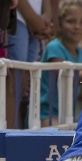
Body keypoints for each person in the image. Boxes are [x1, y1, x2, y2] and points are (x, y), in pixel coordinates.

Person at [40, 0, 82, 127]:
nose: (77, 27)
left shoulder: (80, 52)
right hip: (46, 114)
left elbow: (79, 88)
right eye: (71, 21)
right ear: (60, 23)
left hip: (68, 115)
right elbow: (64, 77)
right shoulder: (54, 47)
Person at [6, 0, 54, 129]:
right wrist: (32, 18)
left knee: (24, 83)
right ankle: (8, 137)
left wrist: (45, 17)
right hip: (16, 17)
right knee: (13, 81)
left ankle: (14, 134)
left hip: (36, 20)